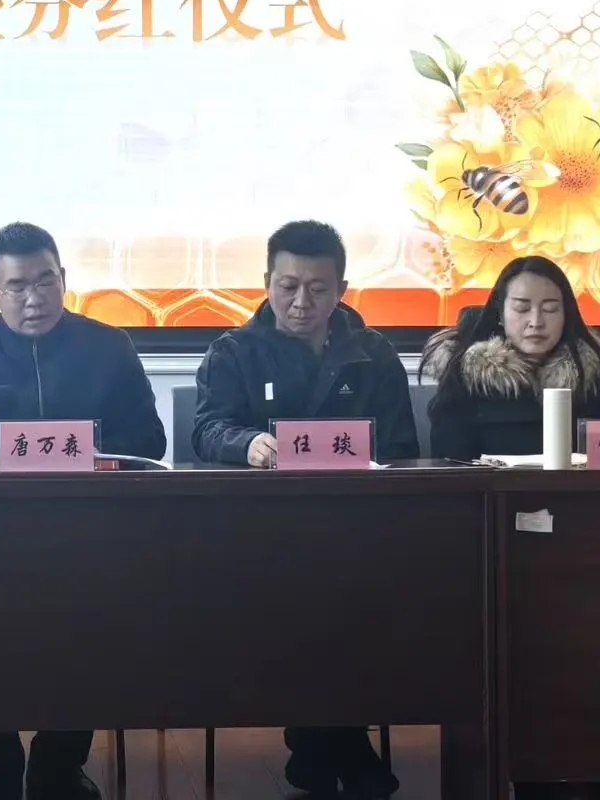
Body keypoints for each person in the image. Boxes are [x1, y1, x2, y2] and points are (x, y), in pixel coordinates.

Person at [0, 222, 162, 800]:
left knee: (92, 631)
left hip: (89, 538)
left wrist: (89, 451)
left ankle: (58, 764)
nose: (34, 298)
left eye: (46, 282)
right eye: (17, 287)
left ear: (64, 279)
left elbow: (149, 440)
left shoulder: (109, 347)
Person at [191, 220, 413, 800]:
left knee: (351, 595)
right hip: (263, 535)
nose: (300, 302)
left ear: (342, 289)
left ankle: (316, 746)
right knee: (306, 595)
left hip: (358, 534)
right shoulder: (234, 352)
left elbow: (401, 449)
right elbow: (206, 430)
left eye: (318, 289)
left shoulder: (373, 354)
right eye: (287, 286)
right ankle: (342, 747)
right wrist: (247, 444)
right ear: (267, 282)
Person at [424, 256, 600, 462]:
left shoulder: (593, 377)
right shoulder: (463, 378)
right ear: (500, 314)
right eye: (521, 308)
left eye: (550, 309)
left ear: (566, 315)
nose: (536, 322)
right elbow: (449, 464)